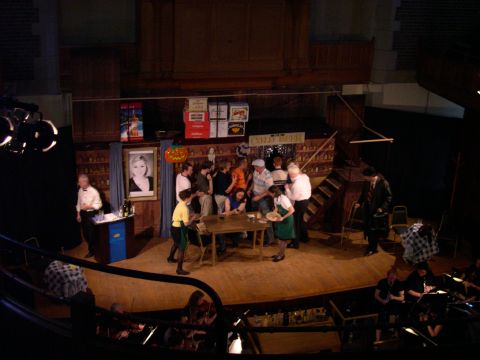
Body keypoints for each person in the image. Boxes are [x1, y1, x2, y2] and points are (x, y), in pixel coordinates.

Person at [355, 166, 392, 256]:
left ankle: (372, 248)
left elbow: (389, 197)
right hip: (367, 209)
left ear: (371, 176)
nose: (364, 178)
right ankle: (370, 245)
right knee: (368, 228)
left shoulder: (383, 183)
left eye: (365, 176)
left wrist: (382, 208)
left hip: (377, 211)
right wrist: (359, 202)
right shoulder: (367, 183)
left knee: (374, 230)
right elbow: (363, 194)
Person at [168, 189, 197, 275]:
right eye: (191, 196)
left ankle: (170, 258)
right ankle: (179, 269)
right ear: (187, 198)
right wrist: (193, 218)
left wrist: (189, 216)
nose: (191, 198)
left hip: (173, 227)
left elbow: (180, 216)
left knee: (176, 243)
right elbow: (186, 223)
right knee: (182, 248)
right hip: (179, 229)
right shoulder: (185, 208)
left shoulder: (179, 204)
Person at [374, 268, 404, 342]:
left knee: (397, 317)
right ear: (387, 276)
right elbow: (376, 295)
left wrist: (393, 297)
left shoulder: (399, 283)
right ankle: (377, 340)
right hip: (383, 304)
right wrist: (382, 301)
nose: (392, 279)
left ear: (396, 277)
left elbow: (402, 298)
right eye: (390, 277)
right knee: (380, 321)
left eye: (393, 277)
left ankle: (395, 335)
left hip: (394, 304)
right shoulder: (382, 282)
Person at [284, 165, 311, 249]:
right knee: (300, 220)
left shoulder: (297, 184)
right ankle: (305, 238)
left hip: (300, 203)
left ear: (291, 174)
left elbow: (293, 197)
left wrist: (287, 188)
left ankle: (295, 243)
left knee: (296, 223)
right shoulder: (305, 176)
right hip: (306, 201)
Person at [76, 174, 102, 258]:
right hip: (83, 214)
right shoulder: (80, 190)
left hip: (91, 214)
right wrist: (78, 214)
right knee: (85, 234)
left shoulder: (94, 191)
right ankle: (92, 248)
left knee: (91, 233)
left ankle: (92, 251)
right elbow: (78, 203)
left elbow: (99, 204)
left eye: (80, 182)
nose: (79, 183)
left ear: (85, 182)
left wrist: (89, 206)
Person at [249, 159, 274, 245]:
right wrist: (249, 190)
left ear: (261, 167)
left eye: (255, 167)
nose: (254, 168)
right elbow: (254, 182)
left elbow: (269, 190)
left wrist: (259, 197)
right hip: (255, 195)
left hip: (264, 198)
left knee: (266, 217)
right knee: (254, 215)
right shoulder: (256, 172)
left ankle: (269, 239)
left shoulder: (268, 176)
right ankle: (254, 236)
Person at [268, 185, 295, 262]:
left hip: (287, 220)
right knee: (279, 239)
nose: (269, 194)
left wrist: (283, 218)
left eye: (270, 193)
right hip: (280, 218)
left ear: (273, 193)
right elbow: (276, 208)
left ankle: (281, 255)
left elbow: (292, 210)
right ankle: (279, 253)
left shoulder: (283, 199)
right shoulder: (275, 198)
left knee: (283, 239)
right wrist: (272, 214)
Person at [217, 189, 247, 253]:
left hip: (237, 220)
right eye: (239, 194)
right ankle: (223, 247)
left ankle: (235, 241)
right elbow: (227, 211)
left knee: (241, 234)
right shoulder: (228, 199)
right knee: (220, 232)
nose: (240, 196)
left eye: (242, 195)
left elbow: (239, 211)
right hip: (227, 219)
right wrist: (234, 211)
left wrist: (233, 211)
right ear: (235, 193)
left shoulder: (244, 200)